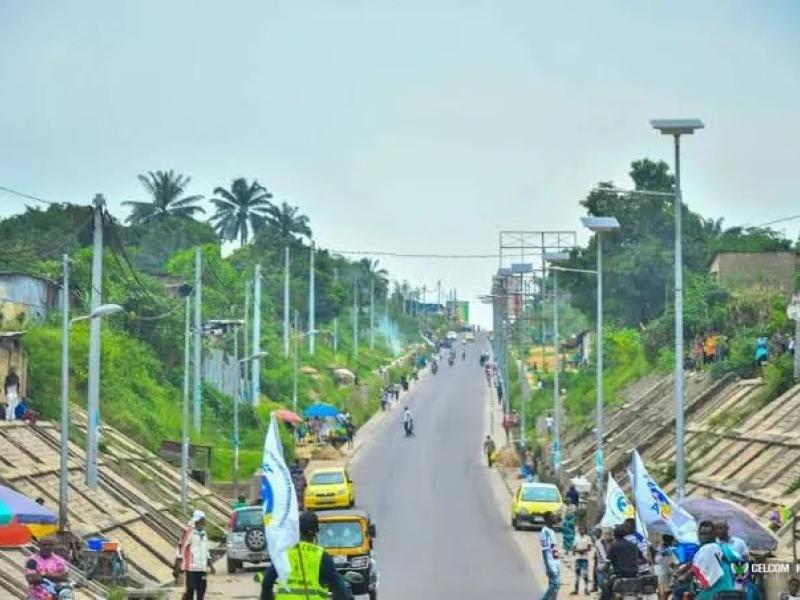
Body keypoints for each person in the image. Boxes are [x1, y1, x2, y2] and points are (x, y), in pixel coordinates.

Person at [260, 511, 352, 600]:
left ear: (297, 530)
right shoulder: (321, 555)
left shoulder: (285, 552)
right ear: (316, 533)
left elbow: (267, 582)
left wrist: (267, 597)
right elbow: (338, 587)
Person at [691, 520, 738, 600]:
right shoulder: (722, 547)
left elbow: (695, 570)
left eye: (706, 534)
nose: (703, 537)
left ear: (714, 535)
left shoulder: (709, 548)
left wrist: (685, 576)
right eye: (701, 534)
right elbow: (735, 557)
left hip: (714, 593)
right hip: (729, 590)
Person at [175, 510, 214, 600]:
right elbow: (181, 546)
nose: (204, 521)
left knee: (202, 589)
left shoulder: (204, 533)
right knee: (191, 589)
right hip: (191, 567)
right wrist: (179, 561)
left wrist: (210, 564)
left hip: (202, 567)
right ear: (199, 520)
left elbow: (206, 550)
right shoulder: (189, 532)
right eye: (203, 519)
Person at [25, 536, 70, 600]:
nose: (47, 547)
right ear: (39, 545)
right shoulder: (32, 560)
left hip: (55, 596)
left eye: (50, 545)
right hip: (36, 596)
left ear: (54, 546)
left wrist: (44, 574)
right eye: (44, 545)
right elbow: (31, 578)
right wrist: (56, 576)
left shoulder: (59, 560)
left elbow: (65, 576)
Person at [600, 526, 639, 600]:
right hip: (633, 576)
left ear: (614, 535)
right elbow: (638, 559)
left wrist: (605, 575)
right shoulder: (633, 545)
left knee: (604, 586)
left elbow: (608, 563)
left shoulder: (614, 545)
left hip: (619, 575)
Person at [715, 519, 752, 597]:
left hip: (737, 580)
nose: (718, 531)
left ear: (727, 528)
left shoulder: (739, 542)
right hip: (721, 581)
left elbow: (746, 561)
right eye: (716, 529)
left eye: (720, 528)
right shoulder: (714, 545)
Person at [539, 512, 561, 600]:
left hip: (556, 561)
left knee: (555, 586)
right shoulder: (544, 532)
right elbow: (544, 550)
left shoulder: (551, 530)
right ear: (548, 519)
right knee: (555, 584)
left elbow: (553, 547)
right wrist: (547, 566)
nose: (555, 518)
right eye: (553, 517)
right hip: (550, 562)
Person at [654, 534, 678, 600]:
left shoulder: (670, 550)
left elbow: (674, 562)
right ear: (668, 541)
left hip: (668, 572)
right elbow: (656, 560)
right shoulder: (659, 550)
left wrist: (674, 568)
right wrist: (663, 554)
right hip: (660, 572)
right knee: (661, 591)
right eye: (671, 541)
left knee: (667, 591)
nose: (672, 543)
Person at [572, 524, 592, 595]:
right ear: (578, 530)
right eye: (580, 529)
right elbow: (573, 548)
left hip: (585, 559)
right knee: (577, 574)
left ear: (585, 530)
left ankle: (586, 590)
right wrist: (579, 551)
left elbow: (589, 548)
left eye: (583, 529)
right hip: (578, 558)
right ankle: (576, 590)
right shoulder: (576, 538)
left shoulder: (588, 538)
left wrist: (580, 550)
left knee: (585, 574)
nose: (581, 530)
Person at [594, 527, 612, 593]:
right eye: (604, 534)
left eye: (607, 534)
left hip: (611, 568)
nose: (605, 536)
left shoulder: (613, 543)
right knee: (601, 585)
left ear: (610, 535)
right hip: (602, 567)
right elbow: (599, 556)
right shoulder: (598, 543)